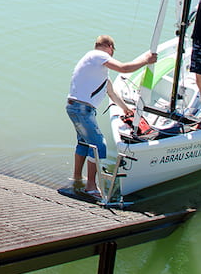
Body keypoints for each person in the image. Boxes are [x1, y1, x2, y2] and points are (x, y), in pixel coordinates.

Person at [66, 35, 156, 198]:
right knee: (99, 145)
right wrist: (146, 60)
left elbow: (112, 93)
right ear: (109, 47)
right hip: (82, 108)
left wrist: (126, 109)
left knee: (84, 143)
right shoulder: (98, 55)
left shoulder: (96, 69)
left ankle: (77, 178)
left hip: (74, 106)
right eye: (113, 50)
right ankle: (91, 187)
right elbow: (124, 68)